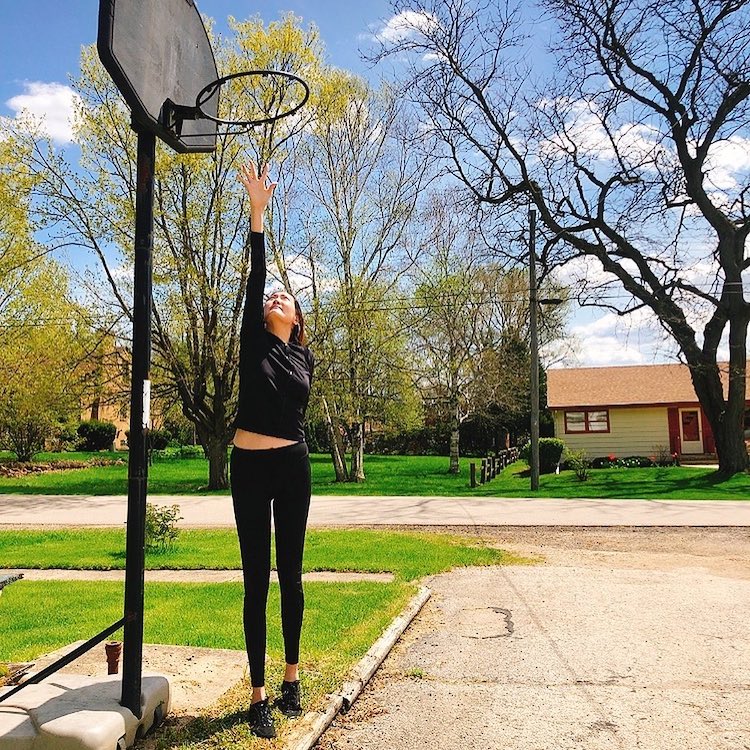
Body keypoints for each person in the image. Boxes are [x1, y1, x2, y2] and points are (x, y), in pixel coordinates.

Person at [231, 162, 314, 739]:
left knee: (291, 573)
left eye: (286, 297)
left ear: (297, 317)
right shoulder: (252, 342)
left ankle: (291, 678)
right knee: (256, 577)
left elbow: (295, 412)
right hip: (248, 467)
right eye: (272, 296)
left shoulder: (304, 357)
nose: (276, 296)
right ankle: (258, 694)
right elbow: (257, 276)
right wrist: (257, 215)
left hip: (292, 466)